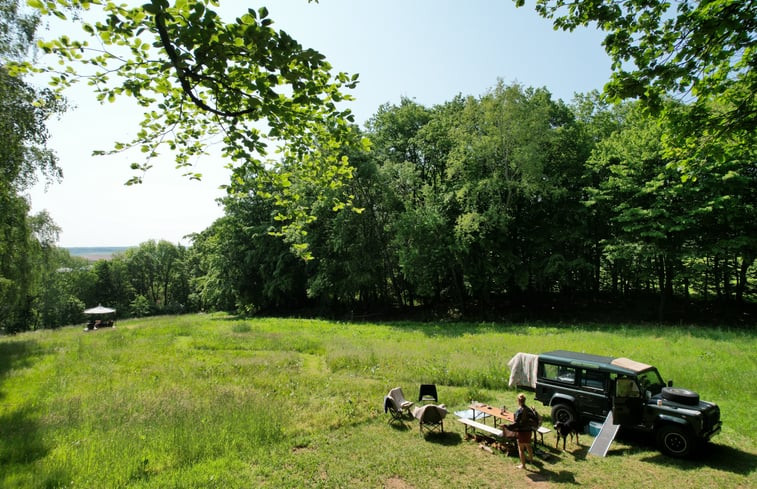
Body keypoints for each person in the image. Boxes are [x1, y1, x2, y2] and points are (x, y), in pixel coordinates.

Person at [512, 393, 535, 469]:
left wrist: (506, 426)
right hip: (528, 431)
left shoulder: (519, 411)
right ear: (524, 401)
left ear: (518, 401)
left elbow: (516, 423)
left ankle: (523, 465)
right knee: (528, 446)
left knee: (521, 449)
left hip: (522, 432)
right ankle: (531, 460)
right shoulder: (529, 409)